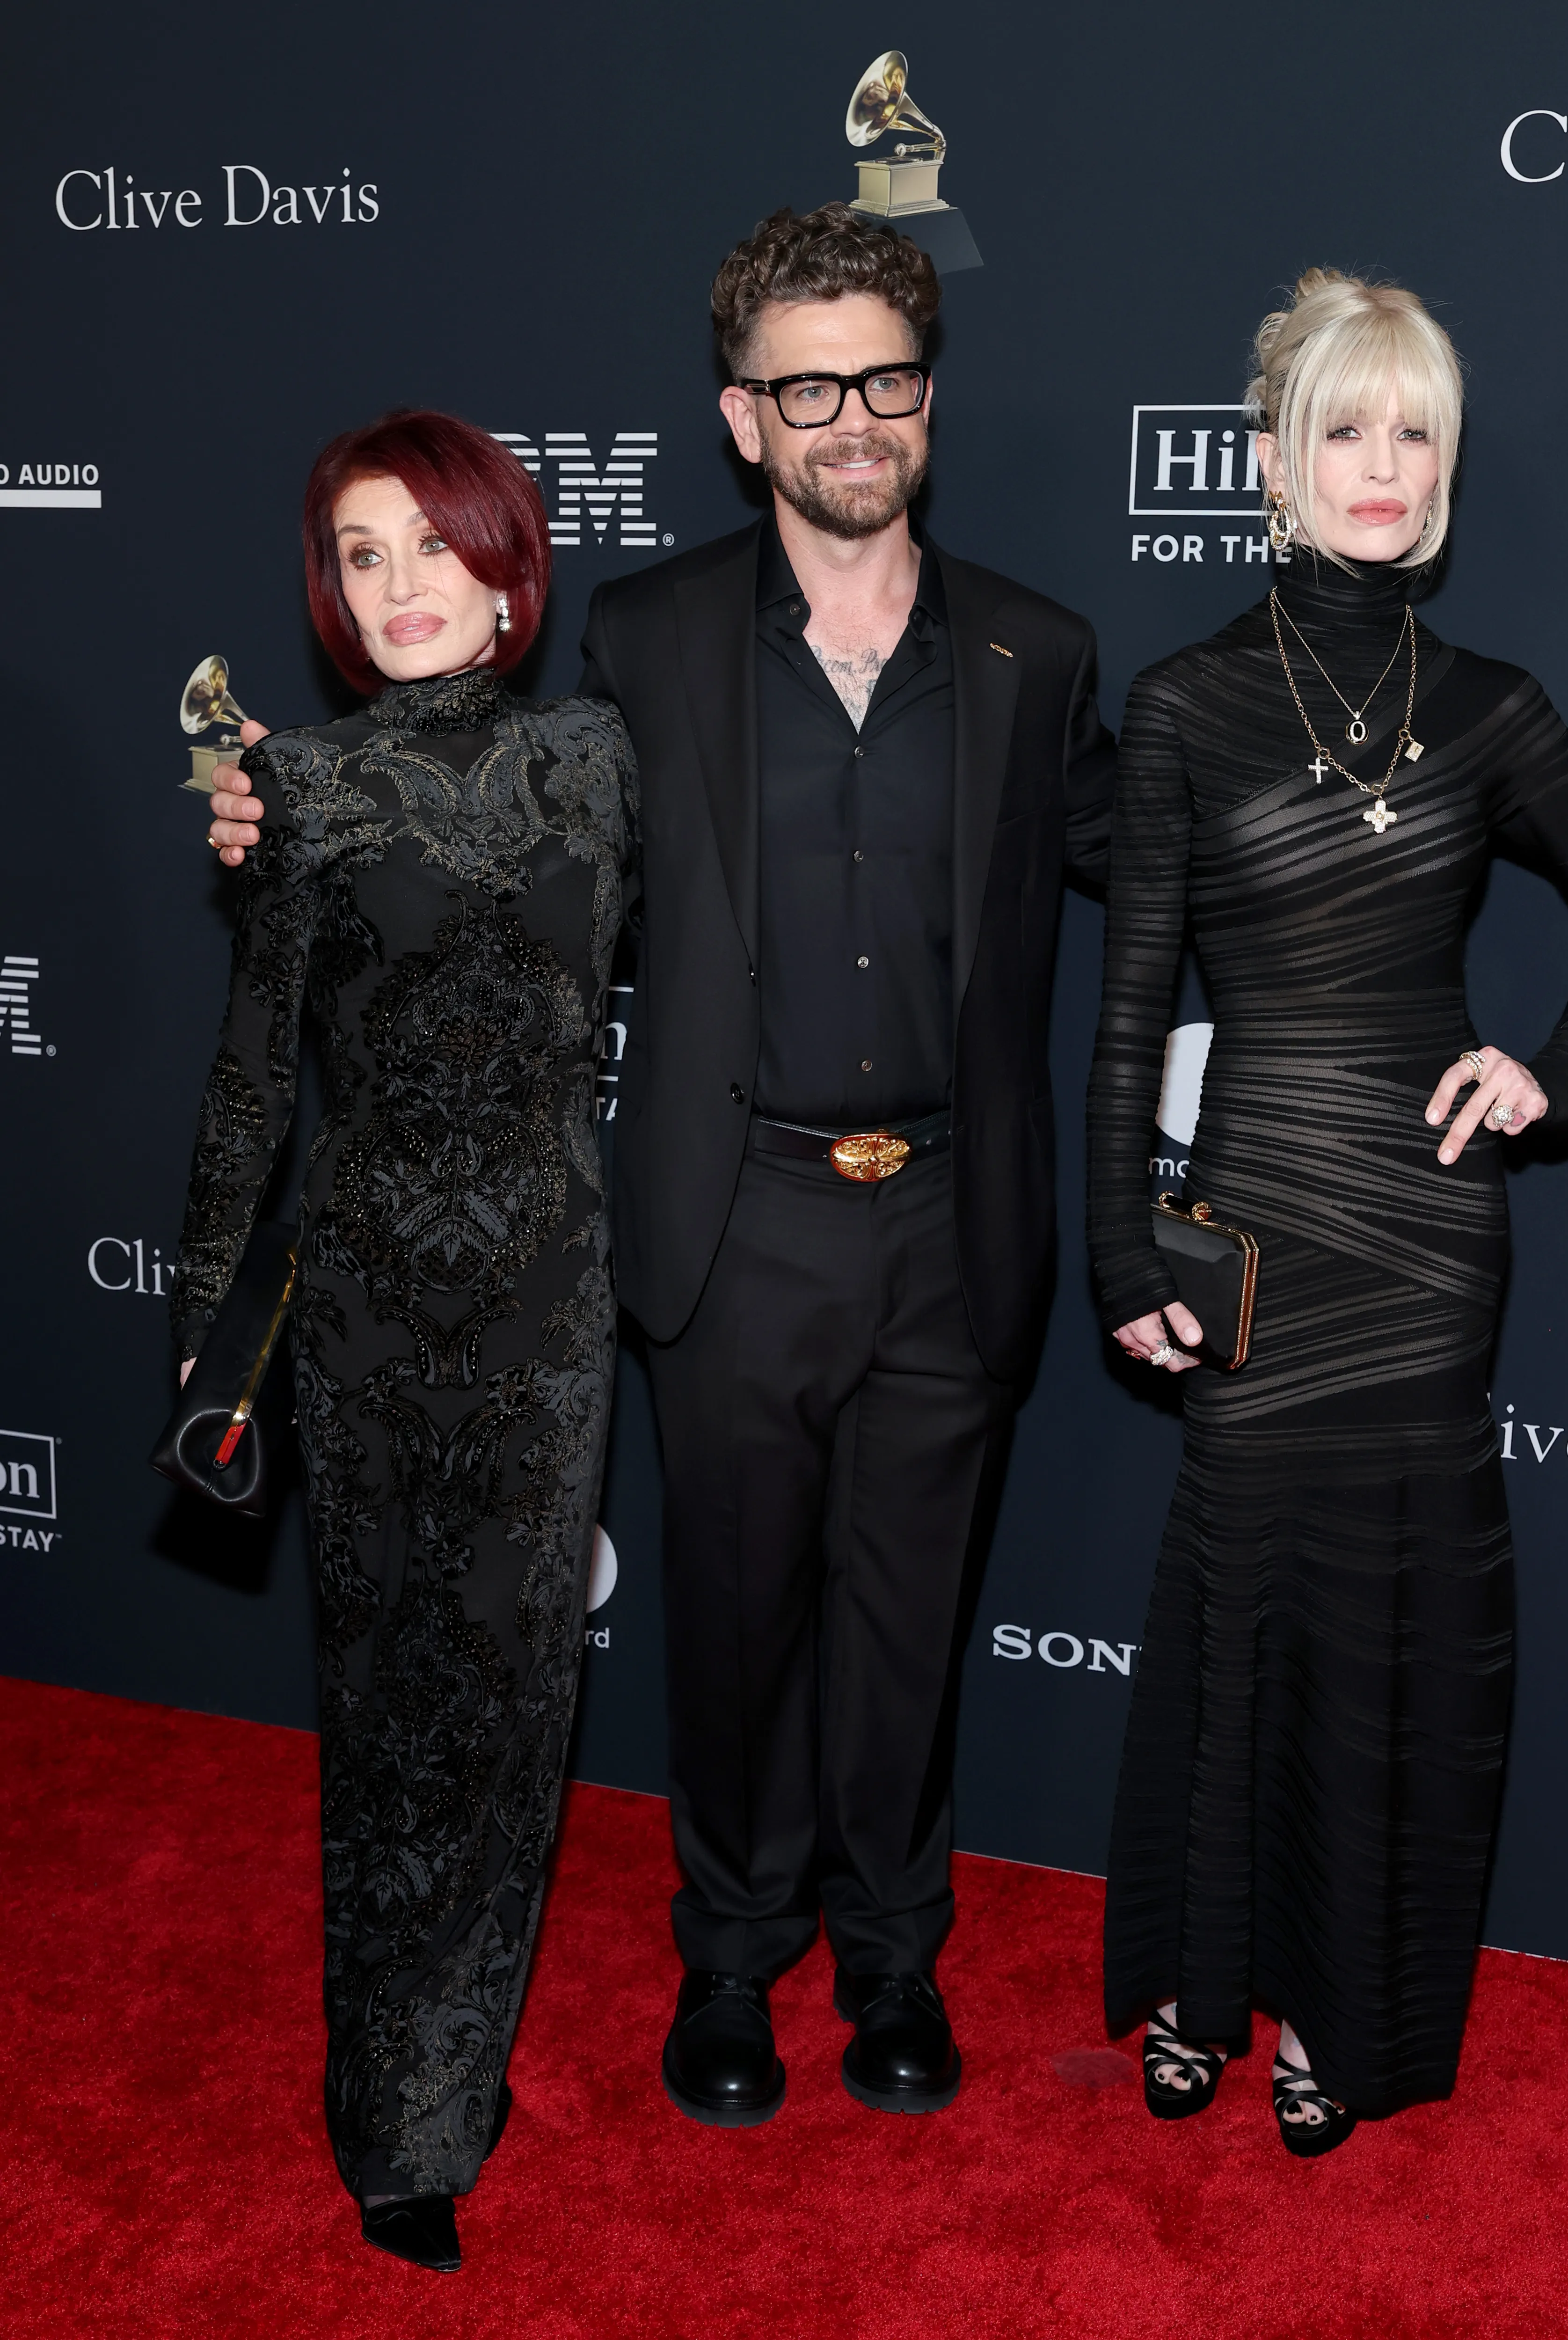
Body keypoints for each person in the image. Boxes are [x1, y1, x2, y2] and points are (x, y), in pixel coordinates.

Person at [205, 206, 1117, 2129]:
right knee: (731, 1617)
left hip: (961, 1216)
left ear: (924, 400)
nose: (846, 414)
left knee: (905, 1624)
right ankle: (727, 1964)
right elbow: (497, 834)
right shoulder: (651, 633)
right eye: (805, 385)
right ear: (740, 415)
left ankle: (889, 1962)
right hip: (736, 1214)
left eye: (879, 376)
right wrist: (291, 809)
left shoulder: (1041, 651)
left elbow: (1164, 854)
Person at [1085, 270, 1568, 2156]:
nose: (1380, 463)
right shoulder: (1180, 700)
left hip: (1425, 1242)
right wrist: (1119, 1247)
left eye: (1412, 430)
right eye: (1344, 425)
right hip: (1254, 1213)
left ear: (1440, 473)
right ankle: (1197, 1985)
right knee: (1237, 1613)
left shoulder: (1491, 707)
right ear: (1271, 459)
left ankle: (1338, 2011)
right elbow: (1121, 1024)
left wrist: (1543, 1075)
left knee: (1379, 1636)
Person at [172, 409, 637, 2267]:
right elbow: (247, 1079)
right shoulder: (291, 790)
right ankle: (391, 2115)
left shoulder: (601, 759)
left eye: (428, 548)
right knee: (382, 1716)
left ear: (507, 562)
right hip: (364, 1308)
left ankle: (460, 2060)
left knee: (518, 1711)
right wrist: (210, 1320)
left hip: (547, 1307)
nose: (395, 589)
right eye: (359, 560)